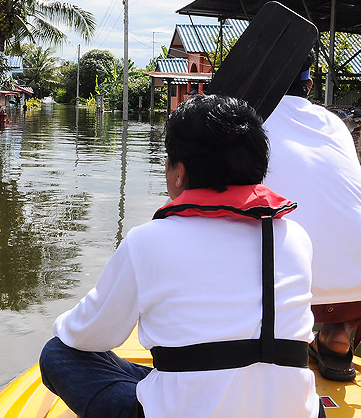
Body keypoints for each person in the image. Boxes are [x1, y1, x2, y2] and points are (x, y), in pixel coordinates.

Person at [39, 94, 322, 418]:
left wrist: (65, 324)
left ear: (179, 172)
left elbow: (85, 335)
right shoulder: (294, 236)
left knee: (57, 354)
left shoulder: (146, 241)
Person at [262, 50, 361, 382]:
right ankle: (336, 336)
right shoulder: (334, 123)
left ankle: (271, 342)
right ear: (309, 84)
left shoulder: (253, 121)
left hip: (286, 292)